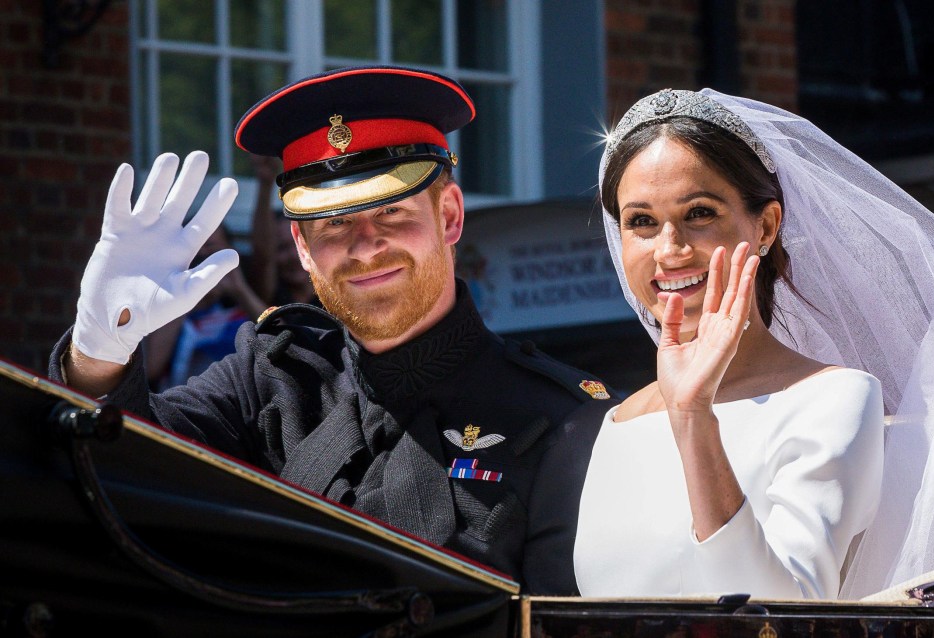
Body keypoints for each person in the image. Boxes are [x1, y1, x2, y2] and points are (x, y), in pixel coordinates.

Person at [48, 66, 618, 594]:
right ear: (301, 246)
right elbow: (129, 481)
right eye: (334, 222)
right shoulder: (271, 378)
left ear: (448, 216)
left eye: (393, 212)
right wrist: (100, 350)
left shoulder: (566, 421)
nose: (365, 246)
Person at [573, 88, 934, 600]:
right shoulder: (619, 421)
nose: (670, 250)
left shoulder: (833, 399)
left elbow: (777, 611)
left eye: (700, 213)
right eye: (641, 222)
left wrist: (694, 418)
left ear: (766, 226)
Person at [144, 224, 268, 391]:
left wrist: (239, 289)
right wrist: (187, 296)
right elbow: (151, 368)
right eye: (195, 254)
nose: (203, 257)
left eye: (211, 251)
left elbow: (282, 337)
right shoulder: (166, 306)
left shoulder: (243, 307)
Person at [247, 154, 316, 306]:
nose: (294, 255)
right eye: (282, 248)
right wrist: (265, 182)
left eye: (301, 243)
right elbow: (263, 257)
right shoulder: (271, 294)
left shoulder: (337, 294)